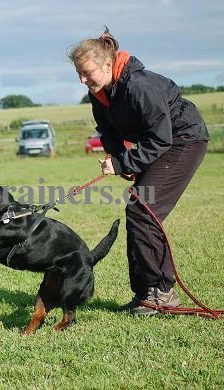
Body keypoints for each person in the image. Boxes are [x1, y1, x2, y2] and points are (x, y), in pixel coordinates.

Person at [67, 28, 209, 315]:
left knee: (143, 210)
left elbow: (161, 137)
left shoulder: (139, 85)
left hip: (183, 140)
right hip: (160, 144)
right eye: (79, 74)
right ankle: (146, 294)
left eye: (87, 72)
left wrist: (124, 164)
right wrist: (120, 158)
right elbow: (107, 130)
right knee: (138, 210)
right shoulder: (99, 92)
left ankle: (162, 294)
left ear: (108, 64)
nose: (83, 80)